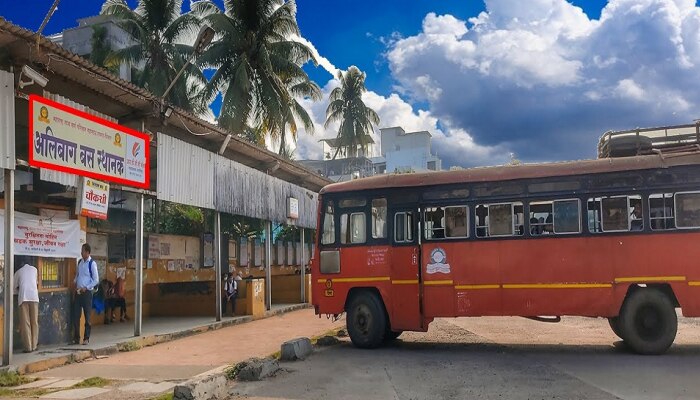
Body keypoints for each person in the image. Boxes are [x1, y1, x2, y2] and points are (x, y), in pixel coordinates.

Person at [73, 243, 99, 345]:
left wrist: (86, 287)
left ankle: (86, 338)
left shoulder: (92, 264)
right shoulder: (80, 262)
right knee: (76, 316)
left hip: (87, 293)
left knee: (87, 317)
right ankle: (76, 338)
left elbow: (96, 280)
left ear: (87, 252)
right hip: (78, 292)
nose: (81, 252)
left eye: (83, 251)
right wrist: (74, 282)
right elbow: (78, 275)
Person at [14, 257, 39, 353]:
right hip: (34, 297)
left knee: (26, 323)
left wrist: (18, 291)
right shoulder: (35, 270)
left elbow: (13, 287)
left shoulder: (18, 272)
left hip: (23, 297)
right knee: (34, 322)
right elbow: (36, 283)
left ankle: (28, 347)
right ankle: (34, 345)